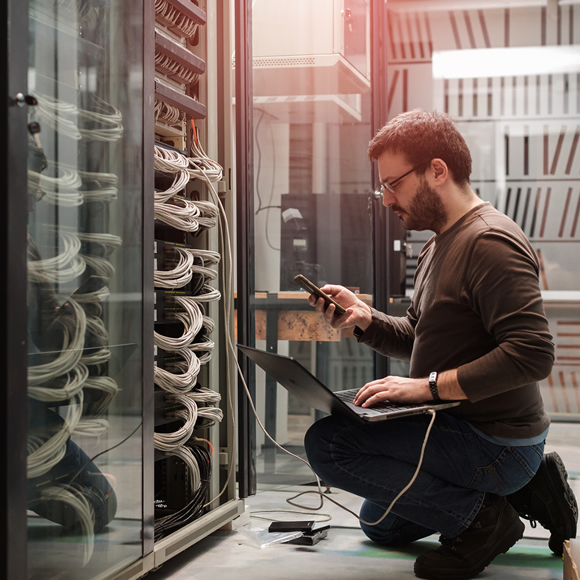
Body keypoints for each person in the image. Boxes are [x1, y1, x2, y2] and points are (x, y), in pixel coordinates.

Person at [304, 109, 577, 579]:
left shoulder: (489, 241)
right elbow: (418, 334)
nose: (387, 199)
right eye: (382, 187)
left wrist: (427, 389)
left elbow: (532, 353)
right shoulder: (437, 243)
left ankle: (486, 520)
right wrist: (365, 320)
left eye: (394, 184)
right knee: (379, 524)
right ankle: (526, 490)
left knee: (330, 445)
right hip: (459, 424)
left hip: (494, 440)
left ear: (437, 169)